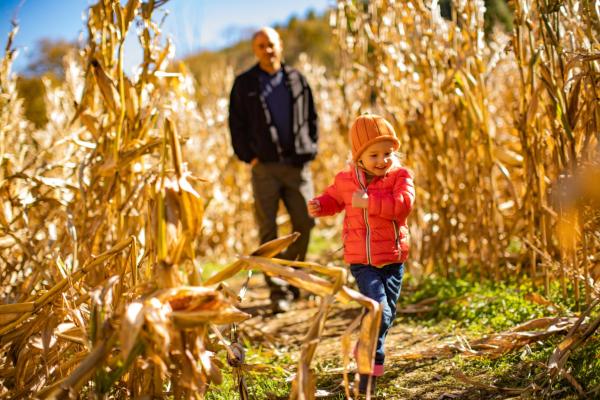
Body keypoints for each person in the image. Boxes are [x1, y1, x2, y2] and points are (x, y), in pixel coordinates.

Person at [307, 114, 414, 394]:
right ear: (358, 156)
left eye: (388, 153)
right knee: (378, 311)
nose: (382, 160)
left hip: (392, 259)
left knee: (384, 317)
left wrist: (371, 202)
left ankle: (367, 366)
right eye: (374, 154)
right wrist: (321, 204)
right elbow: (334, 198)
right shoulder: (346, 181)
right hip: (362, 262)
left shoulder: (400, 177)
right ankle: (365, 366)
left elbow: (403, 206)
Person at [228, 27, 318, 313]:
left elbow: (312, 117)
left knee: (305, 221)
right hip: (264, 167)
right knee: (269, 230)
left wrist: (310, 146)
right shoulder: (245, 84)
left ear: (280, 46)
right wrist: (249, 157)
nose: (268, 50)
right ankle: (278, 291)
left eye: (272, 44)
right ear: (255, 50)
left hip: (297, 164)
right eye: (261, 46)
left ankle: (293, 279)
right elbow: (236, 124)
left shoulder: (297, 79)